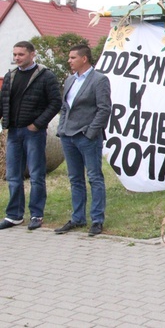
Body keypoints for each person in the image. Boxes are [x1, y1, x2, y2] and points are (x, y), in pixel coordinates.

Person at [0, 41, 63, 230]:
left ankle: (36, 214)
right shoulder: (10, 76)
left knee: (36, 175)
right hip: (13, 132)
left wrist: (37, 124)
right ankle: (14, 215)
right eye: (15, 54)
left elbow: (55, 103)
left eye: (21, 54)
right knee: (13, 175)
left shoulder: (46, 76)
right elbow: (3, 102)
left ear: (32, 54)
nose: (17, 58)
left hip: (33, 133)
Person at [55, 44, 111, 236]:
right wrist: (62, 129)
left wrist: (90, 132)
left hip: (87, 137)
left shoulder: (99, 80)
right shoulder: (70, 80)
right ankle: (78, 218)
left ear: (84, 59)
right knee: (75, 179)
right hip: (68, 137)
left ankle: (97, 220)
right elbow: (64, 107)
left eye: (72, 58)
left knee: (94, 177)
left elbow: (104, 109)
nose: (69, 61)